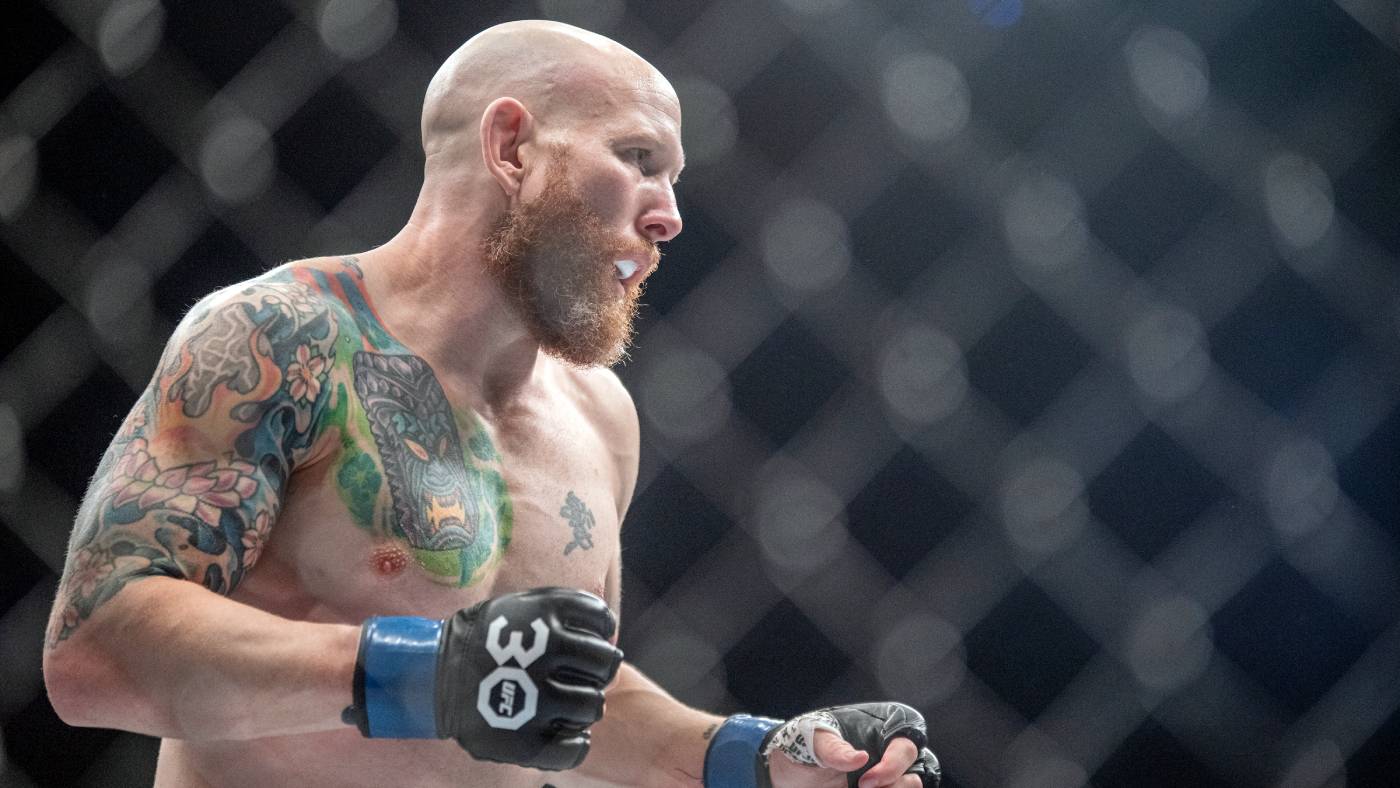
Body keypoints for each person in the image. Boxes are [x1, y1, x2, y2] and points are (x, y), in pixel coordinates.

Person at [41, 19, 940, 788]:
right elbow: (96, 648)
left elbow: (551, 693)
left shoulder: (599, 416)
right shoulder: (282, 337)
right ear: (511, 148)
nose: (668, 216)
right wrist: (423, 673)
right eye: (638, 159)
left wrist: (752, 758)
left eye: (673, 179)